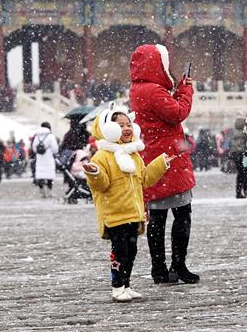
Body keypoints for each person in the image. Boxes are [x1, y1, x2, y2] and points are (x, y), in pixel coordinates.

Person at [82, 104, 174, 302]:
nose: (126, 128)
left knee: (131, 251)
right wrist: (94, 173)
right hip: (114, 213)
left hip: (133, 212)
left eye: (128, 124)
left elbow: (145, 178)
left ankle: (126, 283)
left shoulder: (133, 154)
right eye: (120, 125)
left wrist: (161, 163)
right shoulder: (102, 156)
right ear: (108, 129)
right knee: (119, 251)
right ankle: (117, 286)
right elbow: (102, 185)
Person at [129, 44, 198, 285]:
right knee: (182, 214)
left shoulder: (138, 89)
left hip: (154, 158)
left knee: (157, 218)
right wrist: (186, 90)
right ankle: (178, 264)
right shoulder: (154, 91)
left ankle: (158, 268)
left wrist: (177, 89)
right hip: (169, 159)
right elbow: (178, 113)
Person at [32, 125, 59, 198]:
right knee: (49, 175)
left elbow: (34, 148)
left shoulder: (37, 136)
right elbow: (55, 148)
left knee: (40, 175)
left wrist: (40, 151)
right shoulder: (50, 136)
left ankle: (42, 192)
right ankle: (49, 192)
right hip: (49, 158)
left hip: (40, 158)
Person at [229, 116, 247, 199]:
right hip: (244, 154)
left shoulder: (233, 131)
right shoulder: (244, 131)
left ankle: (238, 192)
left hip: (235, 154)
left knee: (240, 174)